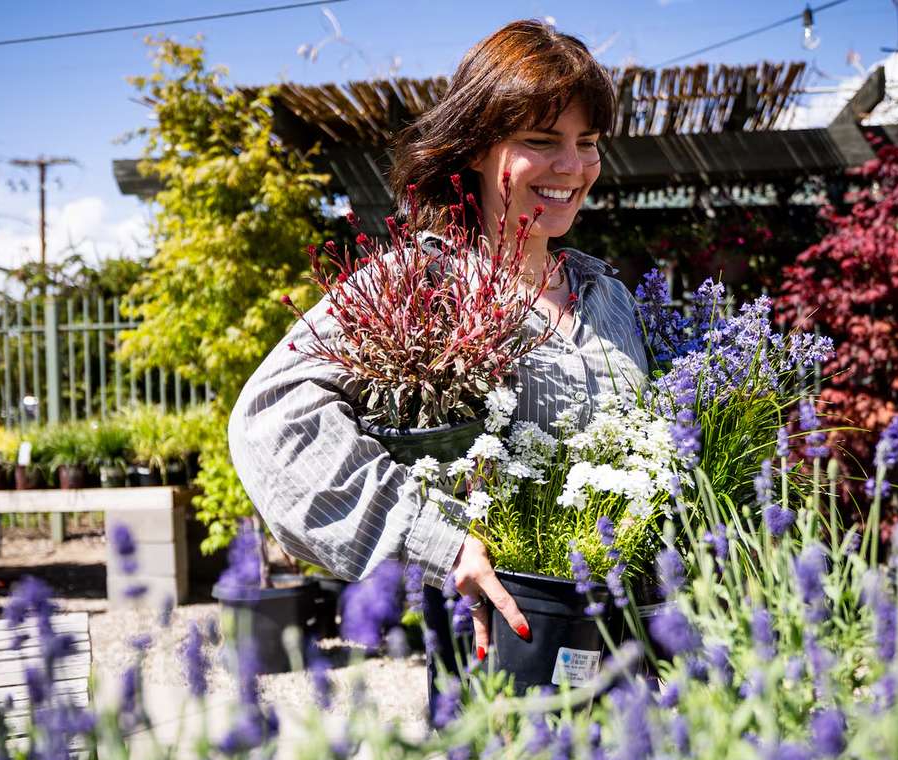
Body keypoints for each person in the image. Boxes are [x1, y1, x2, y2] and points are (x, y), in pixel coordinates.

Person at [228, 19, 649, 675]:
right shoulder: (420, 288)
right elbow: (272, 419)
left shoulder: (609, 298)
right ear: (476, 150)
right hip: (502, 660)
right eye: (542, 141)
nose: (572, 166)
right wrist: (440, 545)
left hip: (630, 661)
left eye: (587, 142)